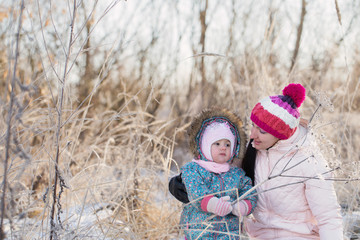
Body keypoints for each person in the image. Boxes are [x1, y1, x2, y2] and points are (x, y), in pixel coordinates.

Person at [169, 83, 344, 240]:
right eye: (253, 125)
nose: (252, 134)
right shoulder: (252, 149)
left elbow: (329, 217)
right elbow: (214, 170)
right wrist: (179, 184)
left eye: (262, 131)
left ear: (281, 134)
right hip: (258, 235)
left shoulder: (309, 161)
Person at [176, 107, 258, 240]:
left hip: (229, 234)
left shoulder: (237, 174)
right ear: (204, 146)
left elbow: (250, 192)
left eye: (227, 144)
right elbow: (196, 192)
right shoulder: (193, 170)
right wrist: (213, 204)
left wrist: (243, 206)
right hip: (200, 234)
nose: (223, 148)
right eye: (217, 143)